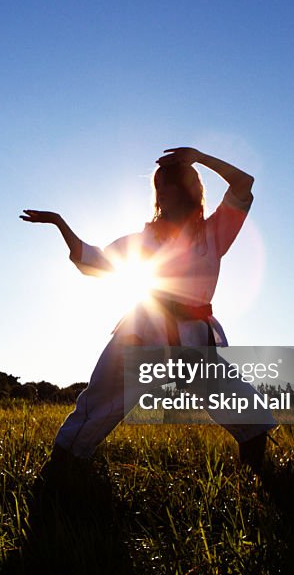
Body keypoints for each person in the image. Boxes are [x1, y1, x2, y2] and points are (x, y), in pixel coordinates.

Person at [21, 146, 276, 473]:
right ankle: (58, 475)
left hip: (195, 341)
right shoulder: (144, 242)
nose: (166, 198)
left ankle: (259, 480)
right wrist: (59, 223)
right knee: (98, 407)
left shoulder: (213, 235)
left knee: (244, 408)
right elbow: (92, 260)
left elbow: (244, 183)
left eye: (174, 187)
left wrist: (198, 157)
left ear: (193, 193)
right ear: (160, 199)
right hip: (143, 334)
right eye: (162, 191)